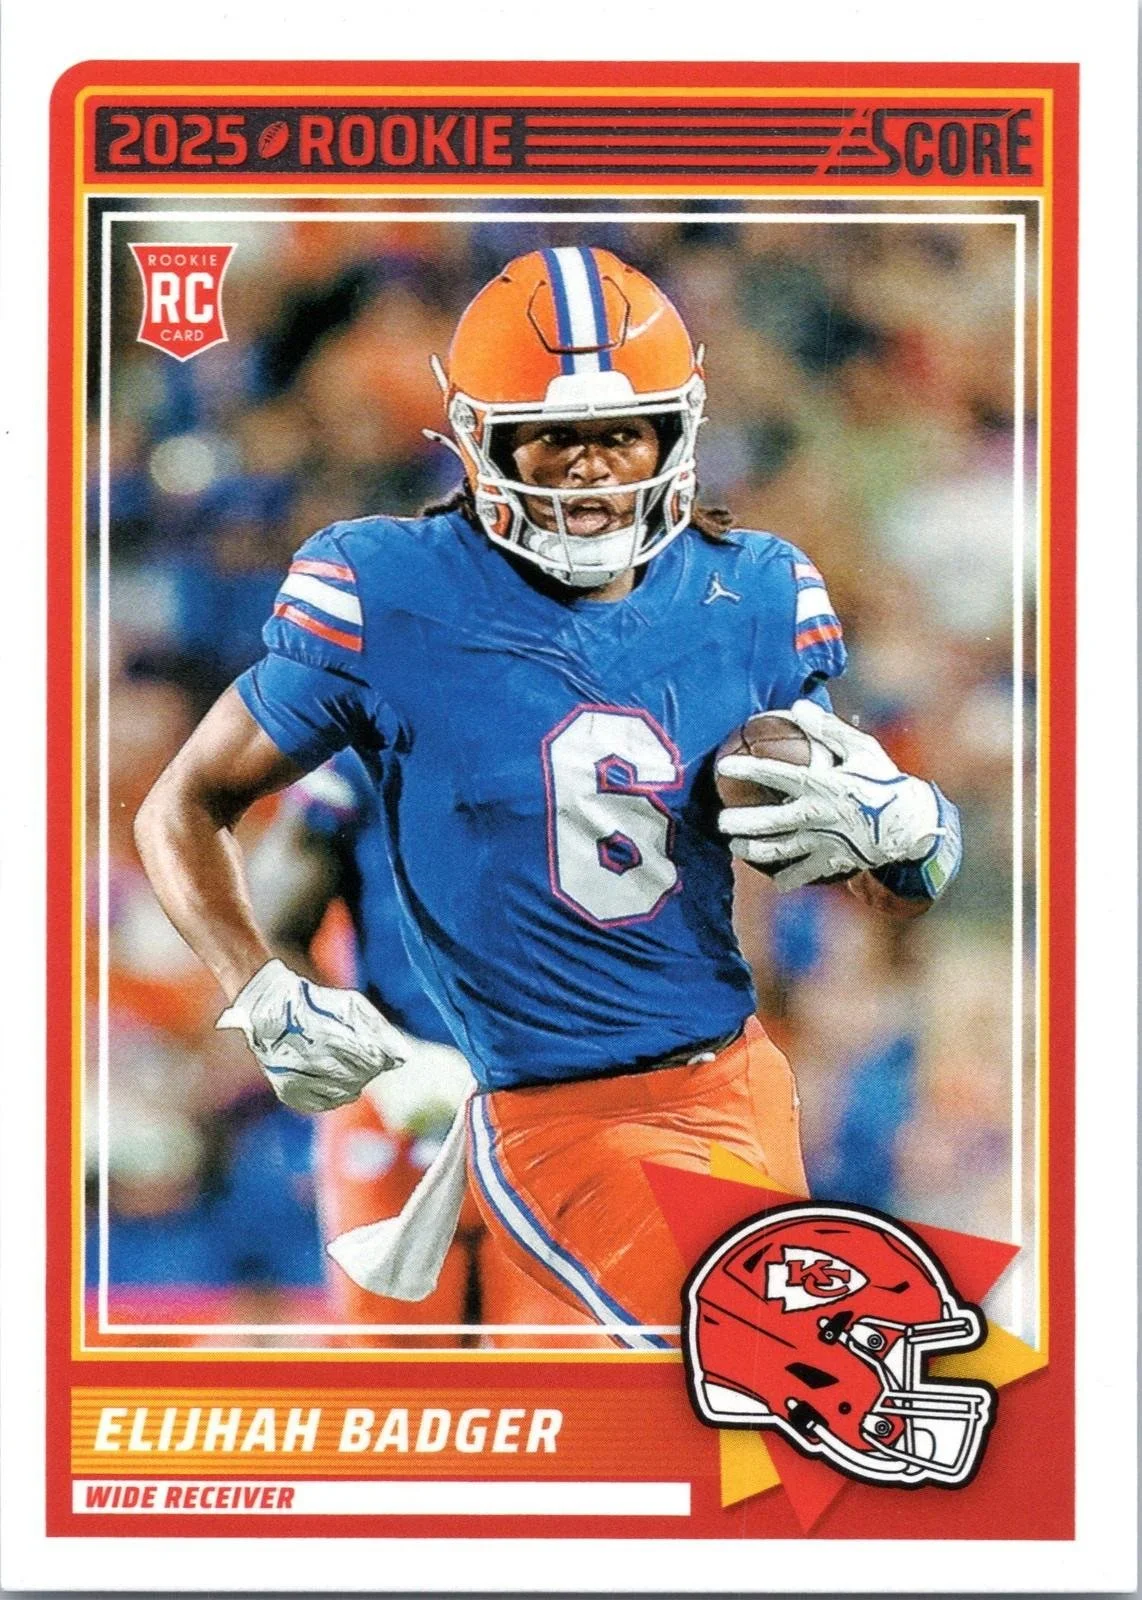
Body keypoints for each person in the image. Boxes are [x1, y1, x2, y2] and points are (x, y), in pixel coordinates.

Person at [135, 246, 962, 1350]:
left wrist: (916, 832)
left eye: (621, 434)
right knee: (589, 1405)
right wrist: (264, 990)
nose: (589, 469)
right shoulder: (388, 597)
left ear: (676, 432)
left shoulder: (757, 592)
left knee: (765, 1408)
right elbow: (185, 805)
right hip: (517, 1100)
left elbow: (877, 885)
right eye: (554, 437)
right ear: (479, 439)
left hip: (726, 1086)